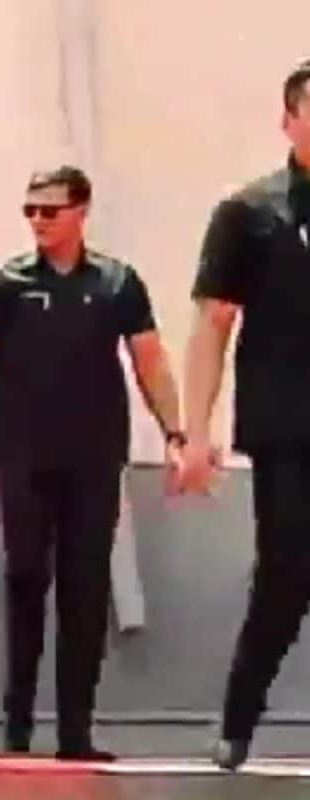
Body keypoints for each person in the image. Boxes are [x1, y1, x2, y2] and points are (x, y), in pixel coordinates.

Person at [0, 166, 182, 761]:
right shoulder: (3, 285)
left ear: (81, 211)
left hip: (94, 458)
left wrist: (177, 433)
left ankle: (76, 731)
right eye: (29, 210)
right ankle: (19, 722)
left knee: (85, 588)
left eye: (49, 211)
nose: (37, 221)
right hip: (22, 455)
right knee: (25, 579)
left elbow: (150, 361)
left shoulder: (116, 282)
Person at [182, 59, 310, 771]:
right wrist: (196, 433)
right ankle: (238, 717)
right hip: (285, 424)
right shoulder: (250, 212)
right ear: (288, 119)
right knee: (288, 571)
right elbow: (212, 326)